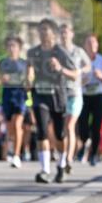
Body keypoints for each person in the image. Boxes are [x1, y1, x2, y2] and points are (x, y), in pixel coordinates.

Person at [26, 18, 78, 184]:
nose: (42, 33)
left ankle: (61, 165)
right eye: (40, 30)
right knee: (41, 130)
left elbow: (75, 74)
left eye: (45, 30)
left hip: (58, 96)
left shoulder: (60, 52)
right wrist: (28, 79)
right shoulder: (32, 52)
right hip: (39, 95)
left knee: (59, 134)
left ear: (53, 33)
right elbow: (29, 70)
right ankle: (45, 170)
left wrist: (60, 68)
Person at [59, 22, 91, 178]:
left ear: (71, 34)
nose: (64, 35)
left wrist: (80, 71)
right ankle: (63, 155)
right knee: (62, 128)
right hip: (59, 93)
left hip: (75, 93)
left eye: (66, 32)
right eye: (61, 32)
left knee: (70, 125)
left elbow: (88, 66)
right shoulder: (56, 51)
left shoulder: (78, 51)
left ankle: (69, 158)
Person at [77, 34, 102, 166]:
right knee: (82, 123)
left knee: (97, 125)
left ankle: (93, 154)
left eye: (94, 43)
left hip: (98, 95)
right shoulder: (80, 60)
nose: (92, 46)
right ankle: (84, 141)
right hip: (84, 95)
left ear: (97, 46)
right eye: (89, 43)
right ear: (85, 46)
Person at [0, 35, 28, 169]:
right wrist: (0, 78)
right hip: (7, 95)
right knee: (10, 127)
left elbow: (30, 79)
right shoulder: (2, 62)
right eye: (9, 46)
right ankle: (11, 148)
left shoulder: (24, 63)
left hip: (20, 95)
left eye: (14, 46)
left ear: (19, 48)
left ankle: (17, 155)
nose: (11, 48)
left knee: (17, 125)